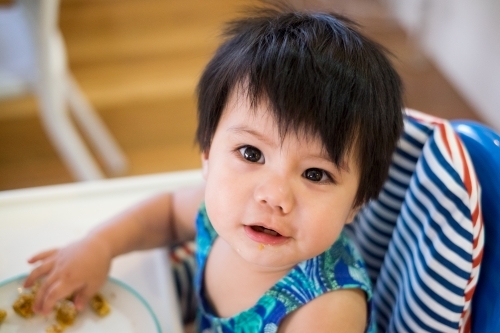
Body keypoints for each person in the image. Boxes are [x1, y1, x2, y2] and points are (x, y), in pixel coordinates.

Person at [24, 6, 403, 333]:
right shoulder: (217, 211)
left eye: (315, 174)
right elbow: (166, 214)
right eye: (252, 153)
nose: (273, 195)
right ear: (208, 153)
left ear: (357, 202)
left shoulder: (325, 314)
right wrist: (99, 246)